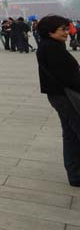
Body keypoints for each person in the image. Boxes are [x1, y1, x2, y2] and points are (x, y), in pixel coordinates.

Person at [35, 15, 80, 186]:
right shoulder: (51, 48)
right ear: (50, 31)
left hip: (58, 96)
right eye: (63, 29)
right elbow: (67, 77)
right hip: (66, 97)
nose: (67, 33)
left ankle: (75, 175)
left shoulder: (50, 46)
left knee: (70, 135)